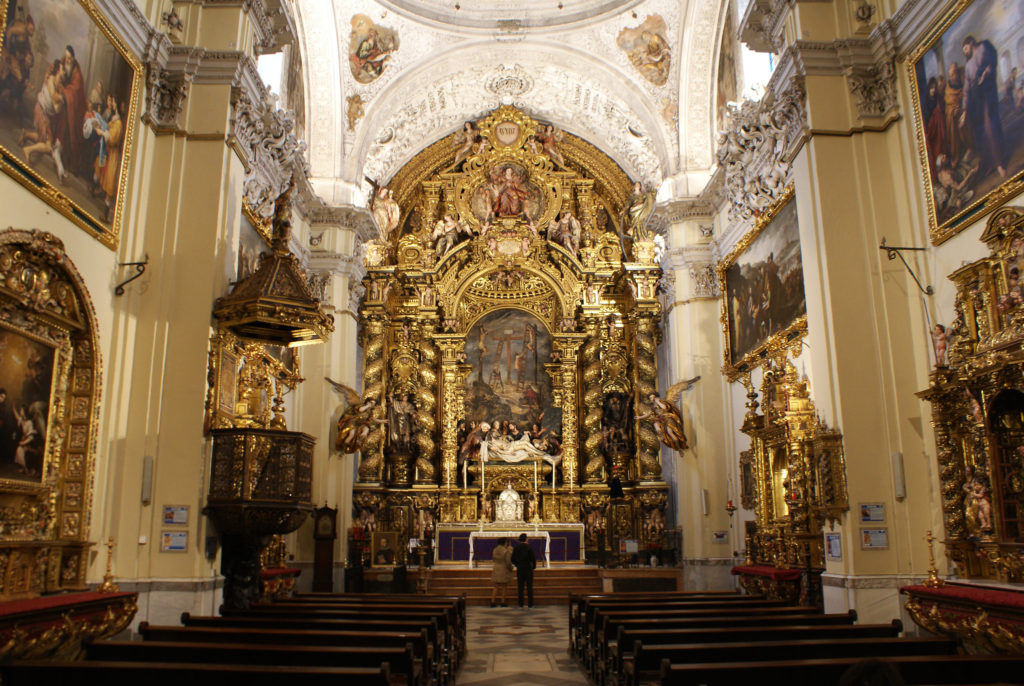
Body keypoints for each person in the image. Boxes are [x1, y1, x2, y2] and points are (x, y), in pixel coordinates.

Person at [960, 35, 1006, 180]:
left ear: (971, 43)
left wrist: (986, 73)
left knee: (990, 127)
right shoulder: (968, 66)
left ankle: (999, 163)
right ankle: (991, 163)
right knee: (981, 132)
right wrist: (965, 111)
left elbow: (991, 63)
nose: (965, 52)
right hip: (977, 100)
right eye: (964, 50)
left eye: (966, 48)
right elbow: (967, 89)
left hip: (987, 94)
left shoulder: (983, 48)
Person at [510, 533, 536, 608]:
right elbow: (533, 558)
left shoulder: (516, 547)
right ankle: (530, 603)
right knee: (529, 587)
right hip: (528, 569)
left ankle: (520, 603)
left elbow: (512, 559)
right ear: (526, 539)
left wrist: (517, 564)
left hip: (520, 569)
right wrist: (533, 567)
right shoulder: (529, 547)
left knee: (520, 587)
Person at [490, 537, 513, 607]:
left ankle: (492, 601)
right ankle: (503, 602)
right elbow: (508, 562)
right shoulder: (505, 551)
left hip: (496, 568)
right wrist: (511, 568)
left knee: (496, 586)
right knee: (504, 586)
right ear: (504, 543)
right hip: (503, 569)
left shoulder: (495, 550)